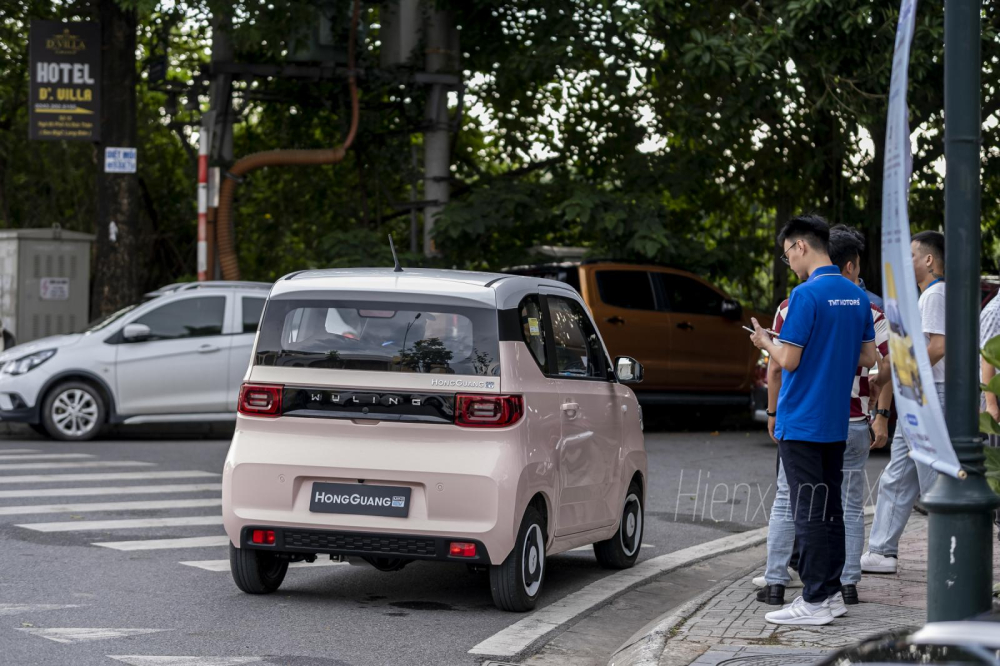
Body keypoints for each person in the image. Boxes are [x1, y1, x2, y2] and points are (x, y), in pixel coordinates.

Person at [750, 215, 876, 626]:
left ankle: (816, 600)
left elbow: (788, 359)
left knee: (808, 511)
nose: (790, 263)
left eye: (788, 255)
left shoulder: (804, 296)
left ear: (801, 246)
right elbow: (870, 358)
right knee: (833, 509)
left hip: (802, 419)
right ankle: (833, 593)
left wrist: (764, 341)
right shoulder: (856, 296)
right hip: (837, 419)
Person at [861, 230, 945, 574]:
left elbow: (938, 347)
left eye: (911, 256)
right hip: (919, 395)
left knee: (933, 479)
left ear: (928, 259)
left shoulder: (935, 295)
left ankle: (950, 551)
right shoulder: (928, 296)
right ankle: (881, 550)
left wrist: (900, 374)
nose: (906, 263)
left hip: (928, 395)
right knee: (899, 474)